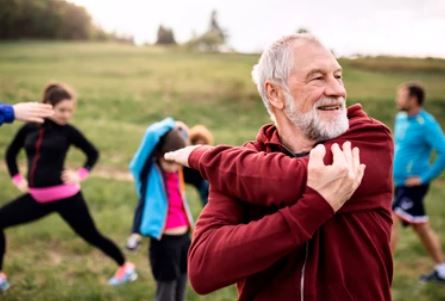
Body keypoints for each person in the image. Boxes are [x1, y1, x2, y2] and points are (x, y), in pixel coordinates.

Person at [165, 33, 394, 301]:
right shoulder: (242, 167)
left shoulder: (369, 138)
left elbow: (293, 178)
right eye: (318, 78)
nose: (337, 90)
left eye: (338, 75)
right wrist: (313, 208)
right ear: (275, 93)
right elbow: (203, 269)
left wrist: (204, 156)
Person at [0, 83, 136, 293]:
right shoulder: (28, 127)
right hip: (36, 198)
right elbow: (10, 154)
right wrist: (18, 179)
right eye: (62, 110)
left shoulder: (69, 132)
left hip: (66, 197)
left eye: (70, 110)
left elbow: (93, 153)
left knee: (91, 235)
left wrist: (79, 175)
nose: (66, 115)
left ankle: (125, 267)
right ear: (48, 106)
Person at [127, 118, 194, 301]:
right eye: (170, 162)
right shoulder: (149, 173)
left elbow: (184, 139)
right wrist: (171, 123)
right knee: (166, 291)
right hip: (164, 242)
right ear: (158, 155)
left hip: (184, 239)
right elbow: (151, 134)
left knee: (181, 286)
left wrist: (180, 129)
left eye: (177, 162)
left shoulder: (178, 170)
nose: (174, 167)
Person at [391, 82, 445, 282]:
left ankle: (381, 272)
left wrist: (424, 178)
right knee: (421, 227)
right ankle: (442, 270)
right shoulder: (400, 118)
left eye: (402, 95)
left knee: (391, 219)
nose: (398, 99)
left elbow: (444, 152)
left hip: (413, 185)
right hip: (398, 183)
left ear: (414, 99)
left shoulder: (427, 124)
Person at [183, 125, 213, 206]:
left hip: (199, 179)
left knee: (206, 187)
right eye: (196, 143)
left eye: (202, 144)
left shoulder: (208, 155)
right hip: (186, 174)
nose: (199, 146)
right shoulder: (185, 153)